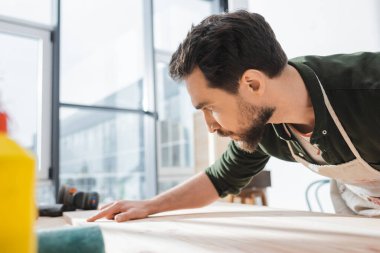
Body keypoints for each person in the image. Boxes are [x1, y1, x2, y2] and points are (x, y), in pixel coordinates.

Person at [88, 10, 380, 222]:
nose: (211, 126)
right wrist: (149, 205)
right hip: (361, 213)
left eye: (210, 107)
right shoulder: (264, 123)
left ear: (252, 84)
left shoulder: (369, 90)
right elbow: (219, 178)